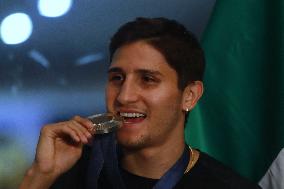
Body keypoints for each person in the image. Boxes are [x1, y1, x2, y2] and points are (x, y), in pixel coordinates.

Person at [20, 17, 260, 189]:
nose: (124, 96)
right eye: (117, 78)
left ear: (190, 95)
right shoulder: (71, 173)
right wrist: (41, 175)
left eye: (147, 79)